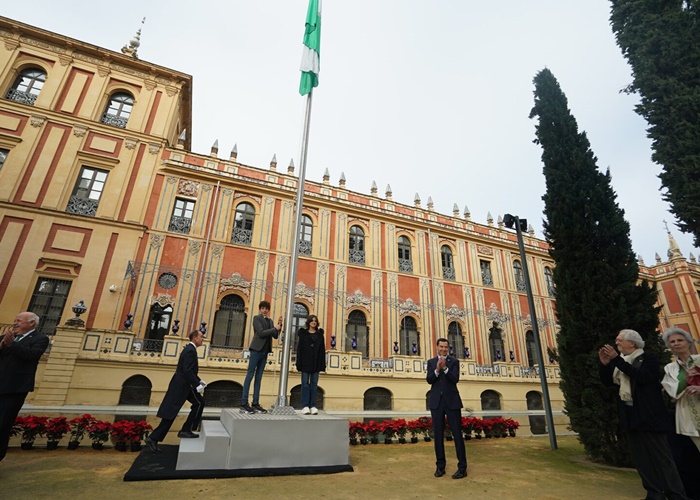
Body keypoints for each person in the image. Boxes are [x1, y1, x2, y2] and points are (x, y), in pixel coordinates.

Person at [599, 329, 688, 500]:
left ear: (632, 343)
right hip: (630, 415)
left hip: (650, 416)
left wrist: (616, 360)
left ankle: (676, 494)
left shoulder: (648, 359)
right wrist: (604, 365)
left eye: (619, 340)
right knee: (641, 459)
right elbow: (608, 383)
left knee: (662, 458)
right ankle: (654, 493)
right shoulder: (620, 362)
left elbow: (643, 377)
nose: (616, 343)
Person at [146, 330, 205, 453]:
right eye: (201, 337)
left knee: (197, 403)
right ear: (194, 338)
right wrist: (196, 384)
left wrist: (199, 381)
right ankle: (183, 430)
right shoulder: (190, 350)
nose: (203, 339)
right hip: (183, 385)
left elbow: (189, 371)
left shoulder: (190, 349)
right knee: (194, 405)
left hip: (183, 384)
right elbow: (187, 370)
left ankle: (182, 430)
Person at [0, 312, 49, 462]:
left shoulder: (40, 339)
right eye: (15, 320)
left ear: (32, 323)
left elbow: (32, 356)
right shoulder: (5, 337)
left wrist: (12, 345)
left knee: (2, 425)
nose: (15, 323)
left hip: (15, 388)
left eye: (19, 321)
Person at [661, 327, 700, 499]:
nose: (676, 344)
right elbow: (672, 391)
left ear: (689, 342)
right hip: (685, 416)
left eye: (680, 340)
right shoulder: (670, 368)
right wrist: (685, 377)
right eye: (672, 342)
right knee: (689, 460)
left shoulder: (699, 360)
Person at [426, 338, 467, 479]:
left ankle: (462, 468)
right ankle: (440, 466)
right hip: (437, 403)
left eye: (446, 347)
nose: (444, 349)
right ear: (437, 347)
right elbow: (429, 380)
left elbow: (454, 379)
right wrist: (437, 369)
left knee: (457, 435)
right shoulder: (431, 362)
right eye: (441, 346)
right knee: (438, 435)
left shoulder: (454, 362)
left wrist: (445, 368)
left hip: (452, 402)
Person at [240, 300, 281, 414]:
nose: (265, 310)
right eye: (263, 308)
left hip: (265, 351)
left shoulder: (270, 320)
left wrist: (279, 325)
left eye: (266, 308)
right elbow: (261, 333)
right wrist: (275, 329)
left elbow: (275, 335)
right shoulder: (256, 318)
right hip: (256, 349)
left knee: (259, 377)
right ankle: (244, 403)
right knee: (250, 375)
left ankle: (255, 403)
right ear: (260, 309)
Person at [295, 314, 326, 415]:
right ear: (308, 322)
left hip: (316, 362)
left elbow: (322, 350)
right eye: (312, 320)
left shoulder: (320, 335)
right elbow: (299, 349)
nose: (313, 322)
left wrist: (322, 364)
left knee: (314, 385)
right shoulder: (303, 334)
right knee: (305, 384)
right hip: (305, 362)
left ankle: (313, 405)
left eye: (315, 321)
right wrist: (298, 362)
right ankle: (305, 406)